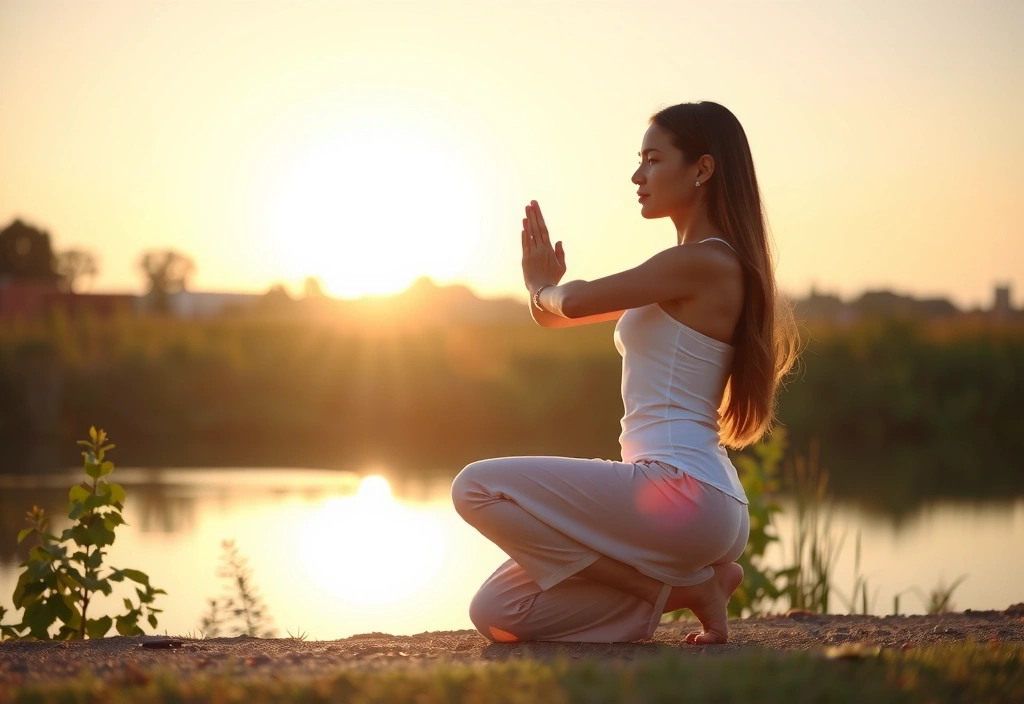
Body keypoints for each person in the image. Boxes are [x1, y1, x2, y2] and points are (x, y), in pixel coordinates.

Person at [451, 101, 799, 644]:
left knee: (474, 487)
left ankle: (677, 592)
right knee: (499, 609)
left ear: (702, 169)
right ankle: (688, 588)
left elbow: (575, 300)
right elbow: (557, 316)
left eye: (653, 160)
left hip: (682, 491)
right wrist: (540, 292)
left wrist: (542, 287)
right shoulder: (685, 268)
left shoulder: (703, 262)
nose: (637, 176)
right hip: (690, 503)